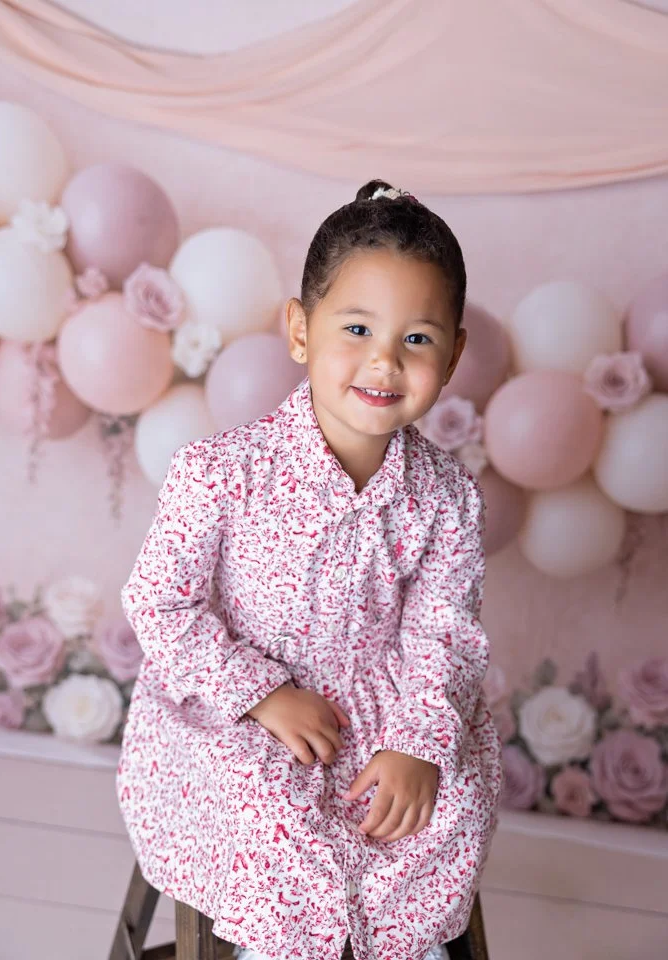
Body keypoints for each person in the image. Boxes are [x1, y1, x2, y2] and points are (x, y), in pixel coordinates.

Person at [118, 180, 502, 960]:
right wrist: (260, 693)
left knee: (447, 797)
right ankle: (282, 946)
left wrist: (418, 742)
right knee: (270, 805)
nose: (385, 362)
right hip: (242, 709)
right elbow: (160, 605)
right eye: (356, 328)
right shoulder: (221, 474)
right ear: (300, 330)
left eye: (418, 340)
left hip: (384, 712)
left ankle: (401, 943)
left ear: (454, 354)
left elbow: (445, 632)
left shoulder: (446, 499)